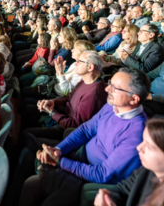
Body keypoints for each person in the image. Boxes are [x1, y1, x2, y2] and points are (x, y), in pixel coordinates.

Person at [15, 69, 150, 206]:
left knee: (34, 186)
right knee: (29, 170)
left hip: (90, 180)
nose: (107, 88)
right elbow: (85, 130)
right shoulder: (111, 106)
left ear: (134, 99)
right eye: (110, 83)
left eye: (115, 88)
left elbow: (102, 174)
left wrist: (60, 161)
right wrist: (59, 150)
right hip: (80, 156)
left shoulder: (137, 134)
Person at [27, 51, 107, 132]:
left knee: (27, 132)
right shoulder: (86, 80)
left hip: (64, 127)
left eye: (79, 62)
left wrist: (52, 113)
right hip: (62, 114)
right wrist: (53, 102)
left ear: (90, 67)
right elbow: (68, 97)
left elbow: (74, 125)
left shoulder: (93, 94)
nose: (75, 64)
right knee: (28, 103)